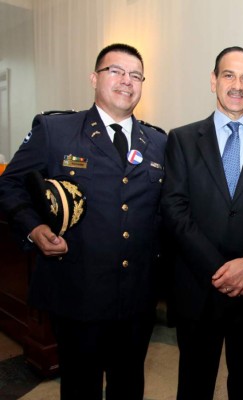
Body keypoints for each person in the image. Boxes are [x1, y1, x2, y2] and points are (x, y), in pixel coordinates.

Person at [0, 43, 167, 400]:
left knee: (128, 386)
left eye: (136, 75)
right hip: (77, 295)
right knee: (80, 388)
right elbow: (9, 184)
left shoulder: (157, 142)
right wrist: (34, 227)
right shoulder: (56, 130)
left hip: (136, 297)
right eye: (116, 71)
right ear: (94, 78)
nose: (127, 81)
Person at [160, 46, 243, 400]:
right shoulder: (183, 140)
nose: (237, 85)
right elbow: (174, 209)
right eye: (229, 75)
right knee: (194, 385)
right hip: (198, 288)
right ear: (213, 80)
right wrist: (220, 269)